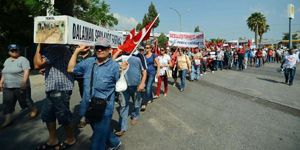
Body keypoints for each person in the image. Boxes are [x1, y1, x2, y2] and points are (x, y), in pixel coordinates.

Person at [67, 38, 123, 150]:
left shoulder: (115, 66)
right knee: (99, 129)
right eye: (98, 47)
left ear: (109, 50)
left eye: (103, 48)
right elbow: (70, 69)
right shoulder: (88, 62)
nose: (100, 50)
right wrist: (76, 51)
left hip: (104, 108)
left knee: (97, 142)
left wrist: (123, 72)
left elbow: (121, 85)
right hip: (88, 105)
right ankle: (114, 143)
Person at [34, 44, 76, 150]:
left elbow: (37, 64)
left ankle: (70, 139)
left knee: (63, 115)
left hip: (60, 87)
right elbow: (45, 64)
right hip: (52, 87)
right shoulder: (52, 49)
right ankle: (53, 140)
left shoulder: (58, 48)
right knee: (48, 115)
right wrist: (47, 68)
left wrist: (38, 45)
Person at [0, 44, 38, 128]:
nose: (14, 52)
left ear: (19, 50)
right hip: (7, 86)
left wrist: (24, 81)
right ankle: (8, 120)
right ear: (9, 51)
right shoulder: (7, 60)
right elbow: (4, 72)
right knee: (7, 103)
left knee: (26, 100)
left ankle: (34, 109)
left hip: (20, 85)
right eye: (12, 50)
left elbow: (26, 71)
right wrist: (1, 82)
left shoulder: (23, 59)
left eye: (15, 50)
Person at [114, 51, 147, 137]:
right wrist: (118, 51)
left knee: (136, 103)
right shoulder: (121, 55)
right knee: (123, 105)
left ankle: (135, 116)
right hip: (123, 86)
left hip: (136, 86)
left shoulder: (139, 55)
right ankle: (122, 128)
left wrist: (142, 83)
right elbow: (111, 63)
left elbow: (144, 72)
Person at [141, 44, 160, 111]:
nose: (146, 49)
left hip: (152, 73)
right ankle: (151, 97)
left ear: (150, 48)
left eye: (148, 48)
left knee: (148, 87)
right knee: (146, 87)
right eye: (145, 48)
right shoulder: (144, 56)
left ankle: (144, 102)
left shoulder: (153, 55)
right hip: (145, 73)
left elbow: (158, 64)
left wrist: (158, 72)